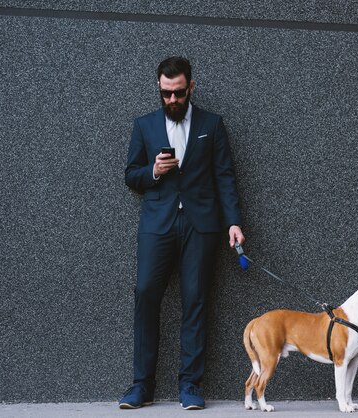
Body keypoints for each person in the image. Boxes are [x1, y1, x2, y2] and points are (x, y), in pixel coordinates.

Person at [119, 56, 245, 410]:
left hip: (200, 225)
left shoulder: (212, 124)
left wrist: (233, 222)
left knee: (195, 300)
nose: (171, 100)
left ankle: (190, 385)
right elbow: (131, 175)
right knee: (145, 295)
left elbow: (225, 177)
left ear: (191, 88)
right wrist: (154, 171)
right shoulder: (144, 125)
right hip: (156, 225)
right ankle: (141, 386)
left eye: (177, 93)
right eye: (165, 94)